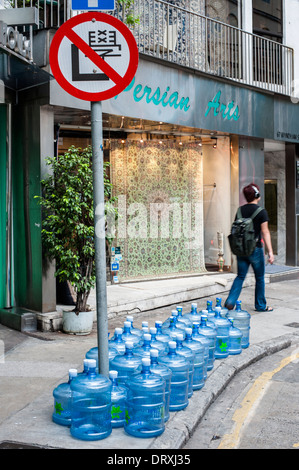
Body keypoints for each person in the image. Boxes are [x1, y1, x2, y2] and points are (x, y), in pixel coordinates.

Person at [225, 183, 274, 312]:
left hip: (241, 250)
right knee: (259, 278)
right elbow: (265, 232)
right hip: (255, 249)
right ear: (257, 195)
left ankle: (230, 302)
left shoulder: (240, 210)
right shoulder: (261, 212)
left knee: (240, 276)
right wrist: (271, 252)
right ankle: (260, 306)